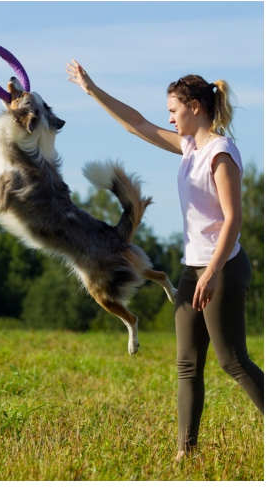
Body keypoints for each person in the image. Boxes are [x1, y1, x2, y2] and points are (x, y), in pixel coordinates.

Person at [66, 60, 263, 460]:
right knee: (187, 365)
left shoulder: (220, 154)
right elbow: (135, 124)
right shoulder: (190, 147)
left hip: (221, 268)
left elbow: (233, 220)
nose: (169, 118)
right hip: (194, 269)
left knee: (233, 361)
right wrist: (92, 89)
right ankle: (184, 454)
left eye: (173, 110)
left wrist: (210, 272)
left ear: (194, 106)